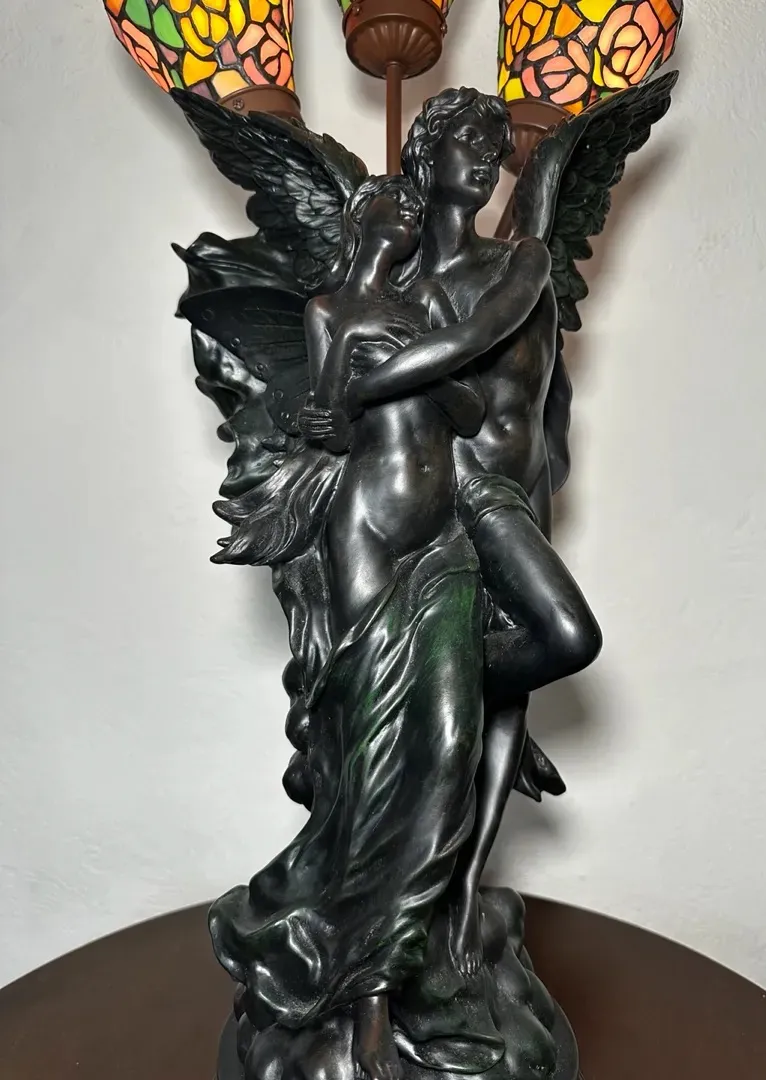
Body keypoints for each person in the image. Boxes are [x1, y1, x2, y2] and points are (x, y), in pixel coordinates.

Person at [209, 175, 500, 1080]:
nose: (408, 210)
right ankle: (370, 993)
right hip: (369, 535)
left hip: (443, 540)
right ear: (361, 218)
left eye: (415, 205)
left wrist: (426, 362)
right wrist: (370, 388)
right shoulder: (330, 309)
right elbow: (333, 422)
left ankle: (415, 957)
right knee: (375, 768)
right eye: (390, 201)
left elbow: (471, 411)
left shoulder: (429, 307)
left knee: (447, 751)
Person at [312, 89, 604, 977]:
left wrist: (357, 387)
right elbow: (418, 405)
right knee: (567, 636)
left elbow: (481, 344)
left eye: (494, 146)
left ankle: (467, 889)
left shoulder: (522, 261)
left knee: (509, 695)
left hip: (524, 488)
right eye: (468, 141)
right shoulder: (401, 294)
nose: (486, 158)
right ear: (424, 156)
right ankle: (426, 722)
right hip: (460, 493)